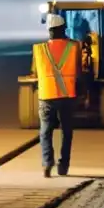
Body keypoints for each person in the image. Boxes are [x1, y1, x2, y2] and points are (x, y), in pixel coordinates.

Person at [32, 13, 82, 178]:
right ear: (64, 29)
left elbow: (35, 72)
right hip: (67, 96)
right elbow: (79, 73)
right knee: (66, 132)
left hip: (46, 96)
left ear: (49, 30)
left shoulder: (39, 49)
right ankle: (63, 166)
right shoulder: (74, 47)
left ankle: (47, 164)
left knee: (45, 130)